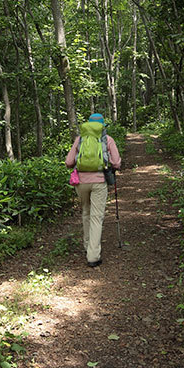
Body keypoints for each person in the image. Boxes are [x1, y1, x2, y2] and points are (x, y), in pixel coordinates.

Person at [65, 112, 122, 267]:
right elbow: (116, 163)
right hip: (99, 181)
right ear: (103, 125)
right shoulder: (107, 139)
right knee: (97, 217)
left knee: (86, 212)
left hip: (81, 182)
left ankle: (86, 245)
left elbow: (69, 162)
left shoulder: (80, 139)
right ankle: (93, 256)